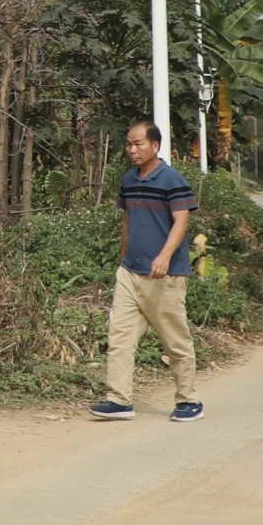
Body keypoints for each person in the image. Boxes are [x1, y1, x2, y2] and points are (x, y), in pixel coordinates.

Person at [94, 119, 202, 422]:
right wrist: (123, 258)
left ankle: (188, 400)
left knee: (175, 340)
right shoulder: (129, 180)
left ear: (155, 145)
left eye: (138, 144)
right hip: (130, 272)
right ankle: (119, 400)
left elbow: (182, 220)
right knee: (120, 338)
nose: (132, 149)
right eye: (129, 144)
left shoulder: (172, 179)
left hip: (164, 275)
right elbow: (127, 221)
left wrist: (164, 256)